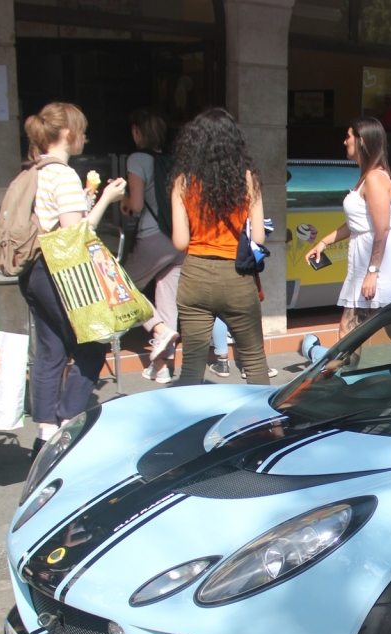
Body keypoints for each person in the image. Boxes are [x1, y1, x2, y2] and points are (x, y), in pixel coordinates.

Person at [21, 103, 127, 459]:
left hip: (33, 271)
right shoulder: (63, 174)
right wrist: (107, 200)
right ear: (67, 133)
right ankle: (69, 425)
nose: (85, 136)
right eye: (81, 130)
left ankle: (44, 434)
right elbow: (76, 233)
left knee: (49, 351)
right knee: (94, 343)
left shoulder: (34, 171)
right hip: (60, 272)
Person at [169, 107, 271, 386]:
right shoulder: (248, 179)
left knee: (191, 366)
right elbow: (259, 238)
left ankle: (189, 428)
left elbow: (180, 242)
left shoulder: (183, 182)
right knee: (253, 359)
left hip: (195, 275)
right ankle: (269, 428)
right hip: (236, 278)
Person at [306, 117, 391, 354]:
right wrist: (324, 242)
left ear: (361, 141)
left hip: (377, 267)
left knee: (348, 333)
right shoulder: (369, 176)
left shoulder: (374, 178)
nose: (344, 141)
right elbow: (358, 224)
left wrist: (372, 273)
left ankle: (338, 381)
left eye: (348, 136)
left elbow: (381, 228)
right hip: (373, 264)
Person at [120, 108, 181, 384]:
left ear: (137, 132)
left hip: (153, 237)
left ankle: (158, 330)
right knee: (167, 302)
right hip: (180, 240)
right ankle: (163, 369)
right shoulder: (174, 161)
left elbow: (134, 205)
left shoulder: (137, 159)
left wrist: (120, 201)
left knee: (121, 287)